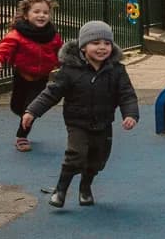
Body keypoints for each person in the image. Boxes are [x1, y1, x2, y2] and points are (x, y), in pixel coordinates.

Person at [21, 20, 139, 208]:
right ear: (83, 47)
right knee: (76, 154)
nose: (102, 48)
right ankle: (60, 190)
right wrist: (32, 111)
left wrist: (130, 114)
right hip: (77, 122)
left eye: (107, 43)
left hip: (103, 122)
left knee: (97, 159)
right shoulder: (70, 70)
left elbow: (127, 94)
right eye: (96, 43)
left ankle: (85, 187)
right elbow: (52, 93)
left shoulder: (116, 70)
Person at [0, 0, 63, 152]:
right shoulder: (17, 35)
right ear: (26, 15)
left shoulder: (53, 36)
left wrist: (67, 64)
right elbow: (2, 49)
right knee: (17, 107)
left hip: (41, 78)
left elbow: (61, 53)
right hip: (22, 75)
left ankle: (22, 136)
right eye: (36, 12)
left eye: (45, 12)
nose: (41, 15)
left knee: (31, 108)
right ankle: (24, 115)